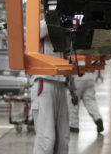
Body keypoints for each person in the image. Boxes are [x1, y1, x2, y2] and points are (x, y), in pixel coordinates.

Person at [31, 15, 69, 154]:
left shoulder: (63, 27)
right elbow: (45, 27)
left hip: (61, 84)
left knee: (63, 140)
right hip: (44, 84)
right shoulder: (39, 26)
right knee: (46, 140)